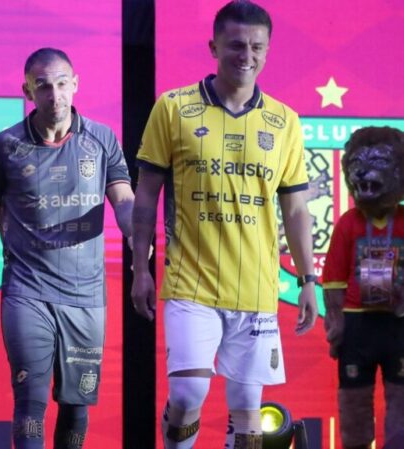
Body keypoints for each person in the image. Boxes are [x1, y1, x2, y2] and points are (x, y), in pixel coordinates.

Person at [131, 1, 318, 448]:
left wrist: (308, 280)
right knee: (187, 394)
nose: (246, 55)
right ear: (214, 47)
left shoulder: (284, 121)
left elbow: (296, 210)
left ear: (267, 51)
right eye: (236, 45)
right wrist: (140, 269)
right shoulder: (174, 108)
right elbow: (146, 195)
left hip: (256, 288)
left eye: (256, 47)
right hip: (190, 284)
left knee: (248, 411)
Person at [0, 47, 134, 449]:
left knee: (76, 407)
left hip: (86, 296)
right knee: (30, 403)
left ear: (76, 84)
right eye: (44, 86)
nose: (55, 95)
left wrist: (136, 231)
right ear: (28, 91)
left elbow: (122, 198)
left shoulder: (102, 139)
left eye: (62, 84)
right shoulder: (6, 146)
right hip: (27, 292)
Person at [323, 126, 404, 449]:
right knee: (354, 400)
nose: (364, 173)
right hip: (357, 325)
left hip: (399, 323)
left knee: (402, 400)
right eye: (357, 164)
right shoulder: (348, 222)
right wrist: (336, 325)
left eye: (379, 162)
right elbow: (333, 280)